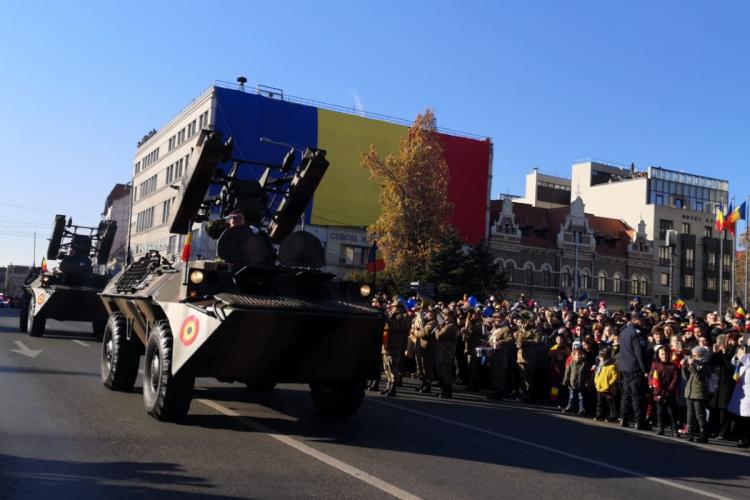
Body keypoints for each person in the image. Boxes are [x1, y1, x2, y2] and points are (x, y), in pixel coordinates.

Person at [618, 312, 649, 429]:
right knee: (637, 396)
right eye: (643, 321)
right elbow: (639, 353)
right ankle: (639, 421)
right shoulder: (637, 334)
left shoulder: (624, 331)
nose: (644, 323)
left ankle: (623, 418)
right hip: (635, 368)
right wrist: (644, 369)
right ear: (638, 320)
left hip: (624, 367)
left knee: (626, 394)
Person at [380, 300, 411, 397]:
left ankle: (393, 388)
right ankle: (388, 386)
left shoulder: (401, 317)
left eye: (394, 307)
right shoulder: (393, 316)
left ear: (399, 308)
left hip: (394, 345)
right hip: (387, 344)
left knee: (393, 367)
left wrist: (385, 318)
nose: (392, 308)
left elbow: (394, 326)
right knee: (387, 367)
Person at [682, 346, 712, 443]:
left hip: (699, 393)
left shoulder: (705, 365)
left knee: (700, 414)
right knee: (690, 413)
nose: (693, 357)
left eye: (696, 355)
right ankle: (690, 432)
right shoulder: (695, 364)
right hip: (690, 392)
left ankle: (704, 434)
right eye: (693, 355)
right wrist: (684, 367)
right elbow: (686, 377)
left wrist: (692, 366)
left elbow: (699, 377)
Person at [649, 345, 680, 436]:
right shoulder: (655, 364)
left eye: (666, 354)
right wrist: (655, 386)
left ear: (669, 354)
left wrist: (669, 389)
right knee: (660, 411)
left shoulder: (673, 366)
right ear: (658, 355)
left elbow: (675, 378)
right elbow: (652, 377)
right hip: (658, 391)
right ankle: (660, 428)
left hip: (669, 392)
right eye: (662, 354)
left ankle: (674, 429)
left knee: (671, 411)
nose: (664, 356)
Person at [728, 342, 750, 448]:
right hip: (741, 390)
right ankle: (744, 439)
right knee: (742, 418)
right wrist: (738, 355)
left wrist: (743, 356)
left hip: (748, 391)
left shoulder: (747, 357)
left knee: (747, 417)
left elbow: (747, 361)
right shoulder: (746, 354)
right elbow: (734, 362)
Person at [434, 309, 459, 398]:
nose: (444, 317)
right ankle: (445, 391)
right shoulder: (446, 325)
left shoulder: (450, 326)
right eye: (444, 315)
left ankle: (447, 392)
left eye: (446, 315)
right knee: (443, 372)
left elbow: (438, 336)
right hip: (443, 351)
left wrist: (437, 328)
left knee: (446, 372)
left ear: (451, 317)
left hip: (447, 353)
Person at [562, 347, 592, 415]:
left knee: (581, 397)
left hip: (581, 384)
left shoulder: (585, 364)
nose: (579, 356)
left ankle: (581, 409)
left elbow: (588, 375)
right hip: (572, 383)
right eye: (578, 355)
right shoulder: (571, 363)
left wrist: (588, 383)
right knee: (571, 397)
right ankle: (569, 407)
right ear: (574, 355)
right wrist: (565, 381)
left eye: (581, 355)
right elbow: (567, 373)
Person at [414, 307, 437, 393]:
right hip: (424, 347)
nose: (428, 314)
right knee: (422, 367)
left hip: (429, 348)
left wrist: (416, 332)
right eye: (428, 312)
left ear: (434, 314)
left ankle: (427, 386)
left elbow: (424, 333)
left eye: (430, 312)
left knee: (427, 367)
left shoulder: (433, 322)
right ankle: (424, 384)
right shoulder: (428, 321)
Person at [594, 347, 619, 422]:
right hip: (599, 387)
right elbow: (597, 374)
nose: (600, 359)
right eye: (600, 357)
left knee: (610, 403)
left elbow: (615, 376)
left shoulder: (612, 366)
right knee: (599, 402)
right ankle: (599, 414)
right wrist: (596, 382)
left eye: (601, 357)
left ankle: (613, 415)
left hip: (608, 388)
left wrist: (609, 384)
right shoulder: (600, 365)